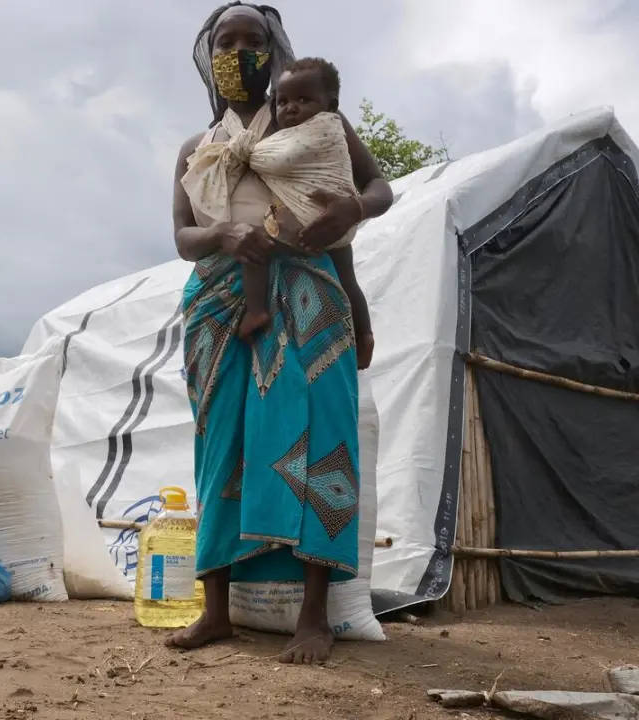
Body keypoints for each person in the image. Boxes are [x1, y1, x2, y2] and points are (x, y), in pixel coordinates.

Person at [168, 2, 393, 665]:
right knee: (220, 442)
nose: (240, 52)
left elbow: (373, 187)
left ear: (277, 49)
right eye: (226, 42)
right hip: (218, 295)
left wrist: (355, 283)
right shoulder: (197, 149)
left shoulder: (314, 120)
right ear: (209, 57)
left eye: (255, 40)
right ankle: (216, 611)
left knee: (322, 434)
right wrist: (222, 234)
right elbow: (183, 237)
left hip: (307, 287)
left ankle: (315, 615)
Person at [231, 57, 374, 373]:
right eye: (281, 102)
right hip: (330, 223)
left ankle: (256, 310)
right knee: (347, 278)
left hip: (317, 218)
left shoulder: (323, 128)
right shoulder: (314, 127)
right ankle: (364, 335)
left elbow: (272, 159)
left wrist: (245, 152)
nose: (290, 109)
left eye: (302, 100)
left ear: (331, 105)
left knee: (255, 246)